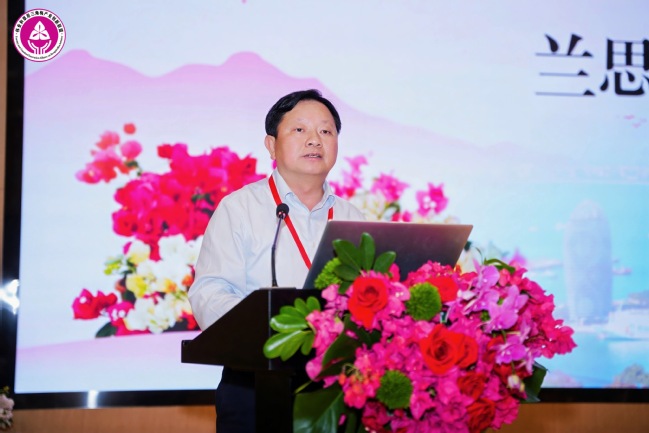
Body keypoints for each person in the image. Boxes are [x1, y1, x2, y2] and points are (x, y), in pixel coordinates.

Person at [189, 89, 365, 433]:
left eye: (326, 131)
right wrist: (268, 330)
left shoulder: (351, 217)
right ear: (271, 145)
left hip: (335, 386)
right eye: (300, 129)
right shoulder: (239, 209)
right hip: (255, 382)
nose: (314, 140)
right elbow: (209, 291)